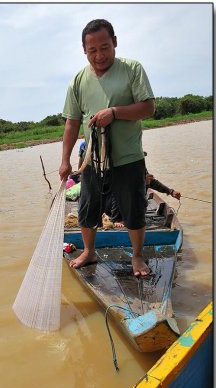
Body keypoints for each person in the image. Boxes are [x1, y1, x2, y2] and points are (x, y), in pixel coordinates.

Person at [59, 19, 155, 276]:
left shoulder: (132, 69)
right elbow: (71, 123)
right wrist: (65, 161)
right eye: (92, 50)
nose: (99, 55)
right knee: (88, 208)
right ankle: (89, 252)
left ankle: (137, 256)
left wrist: (115, 112)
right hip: (93, 160)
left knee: (133, 208)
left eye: (105, 47)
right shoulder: (78, 81)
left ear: (115, 42)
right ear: (84, 50)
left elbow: (148, 107)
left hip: (128, 157)